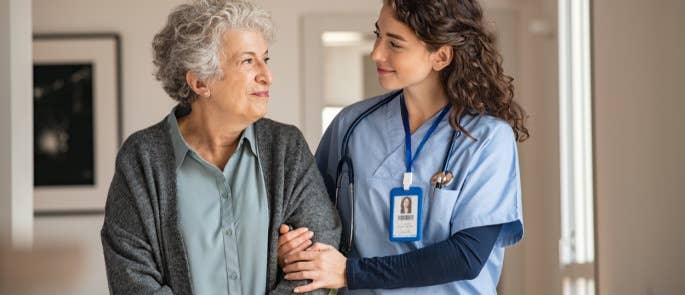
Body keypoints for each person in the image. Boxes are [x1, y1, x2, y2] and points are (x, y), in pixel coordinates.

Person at [277, 0, 528, 293]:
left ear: (441, 56)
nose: (376, 53)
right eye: (378, 36)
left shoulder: (486, 139)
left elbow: (466, 256)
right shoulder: (351, 126)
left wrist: (351, 272)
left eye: (394, 44)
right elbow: (307, 214)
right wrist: (293, 247)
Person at [100, 0, 340, 294]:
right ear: (200, 82)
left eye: (265, 59)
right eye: (248, 61)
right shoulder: (141, 159)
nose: (267, 75)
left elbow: (318, 255)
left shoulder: (286, 148)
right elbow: (132, 279)